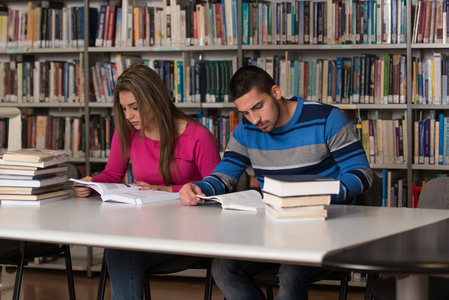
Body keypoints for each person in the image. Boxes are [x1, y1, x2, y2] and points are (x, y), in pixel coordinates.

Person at [179, 65, 373, 299]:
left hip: (326, 227)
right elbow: (225, 175)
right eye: (246, 113)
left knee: (291, 272)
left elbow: (361, 173)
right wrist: (199, 188)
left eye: (258, 107)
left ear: (276, 92)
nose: (255, 119)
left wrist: (321, 193)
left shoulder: (326, 118)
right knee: (223, 267)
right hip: (275, 228)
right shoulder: (247, 129)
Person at [73, 64, 221, 300]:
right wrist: (91, 184)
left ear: (155, 99)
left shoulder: (197, 136)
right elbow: (112, 175)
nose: (128, 115)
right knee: (119, 246)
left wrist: (168, 189)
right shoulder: (127, 132)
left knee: (121, 251)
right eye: (123, 108)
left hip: (188, 235)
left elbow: (217, 189)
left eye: (134, 107)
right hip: (144, 232)